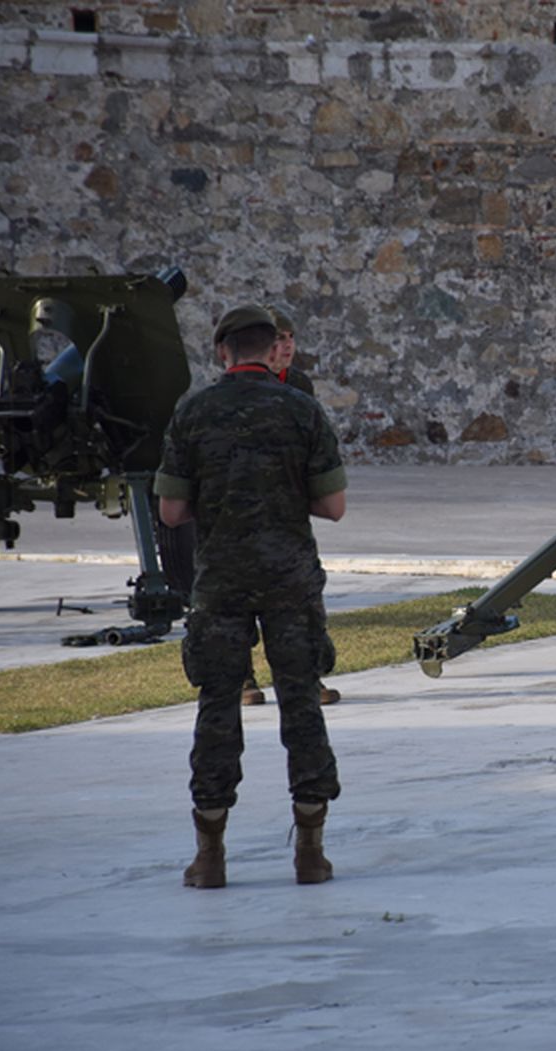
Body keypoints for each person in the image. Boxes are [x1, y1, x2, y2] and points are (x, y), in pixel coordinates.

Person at [155, 304, 348, 889]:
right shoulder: (302, 409)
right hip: (289, 579)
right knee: (302, 706)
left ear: (223, 352)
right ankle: (310, 853)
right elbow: (333, 506)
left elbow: (170, 511)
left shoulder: (192, 413)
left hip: (221, 582)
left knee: (217, 709)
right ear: (270, 350)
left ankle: (209, 857)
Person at [239, 305, 341, 708]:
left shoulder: (298, 385)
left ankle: (305, 679)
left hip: (288, 511)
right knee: (240, 598)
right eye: (276, 340)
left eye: (289, 339)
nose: (284, 348)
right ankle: (243, 679)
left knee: (300, 599)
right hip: (243, 512)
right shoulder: (235, 388)